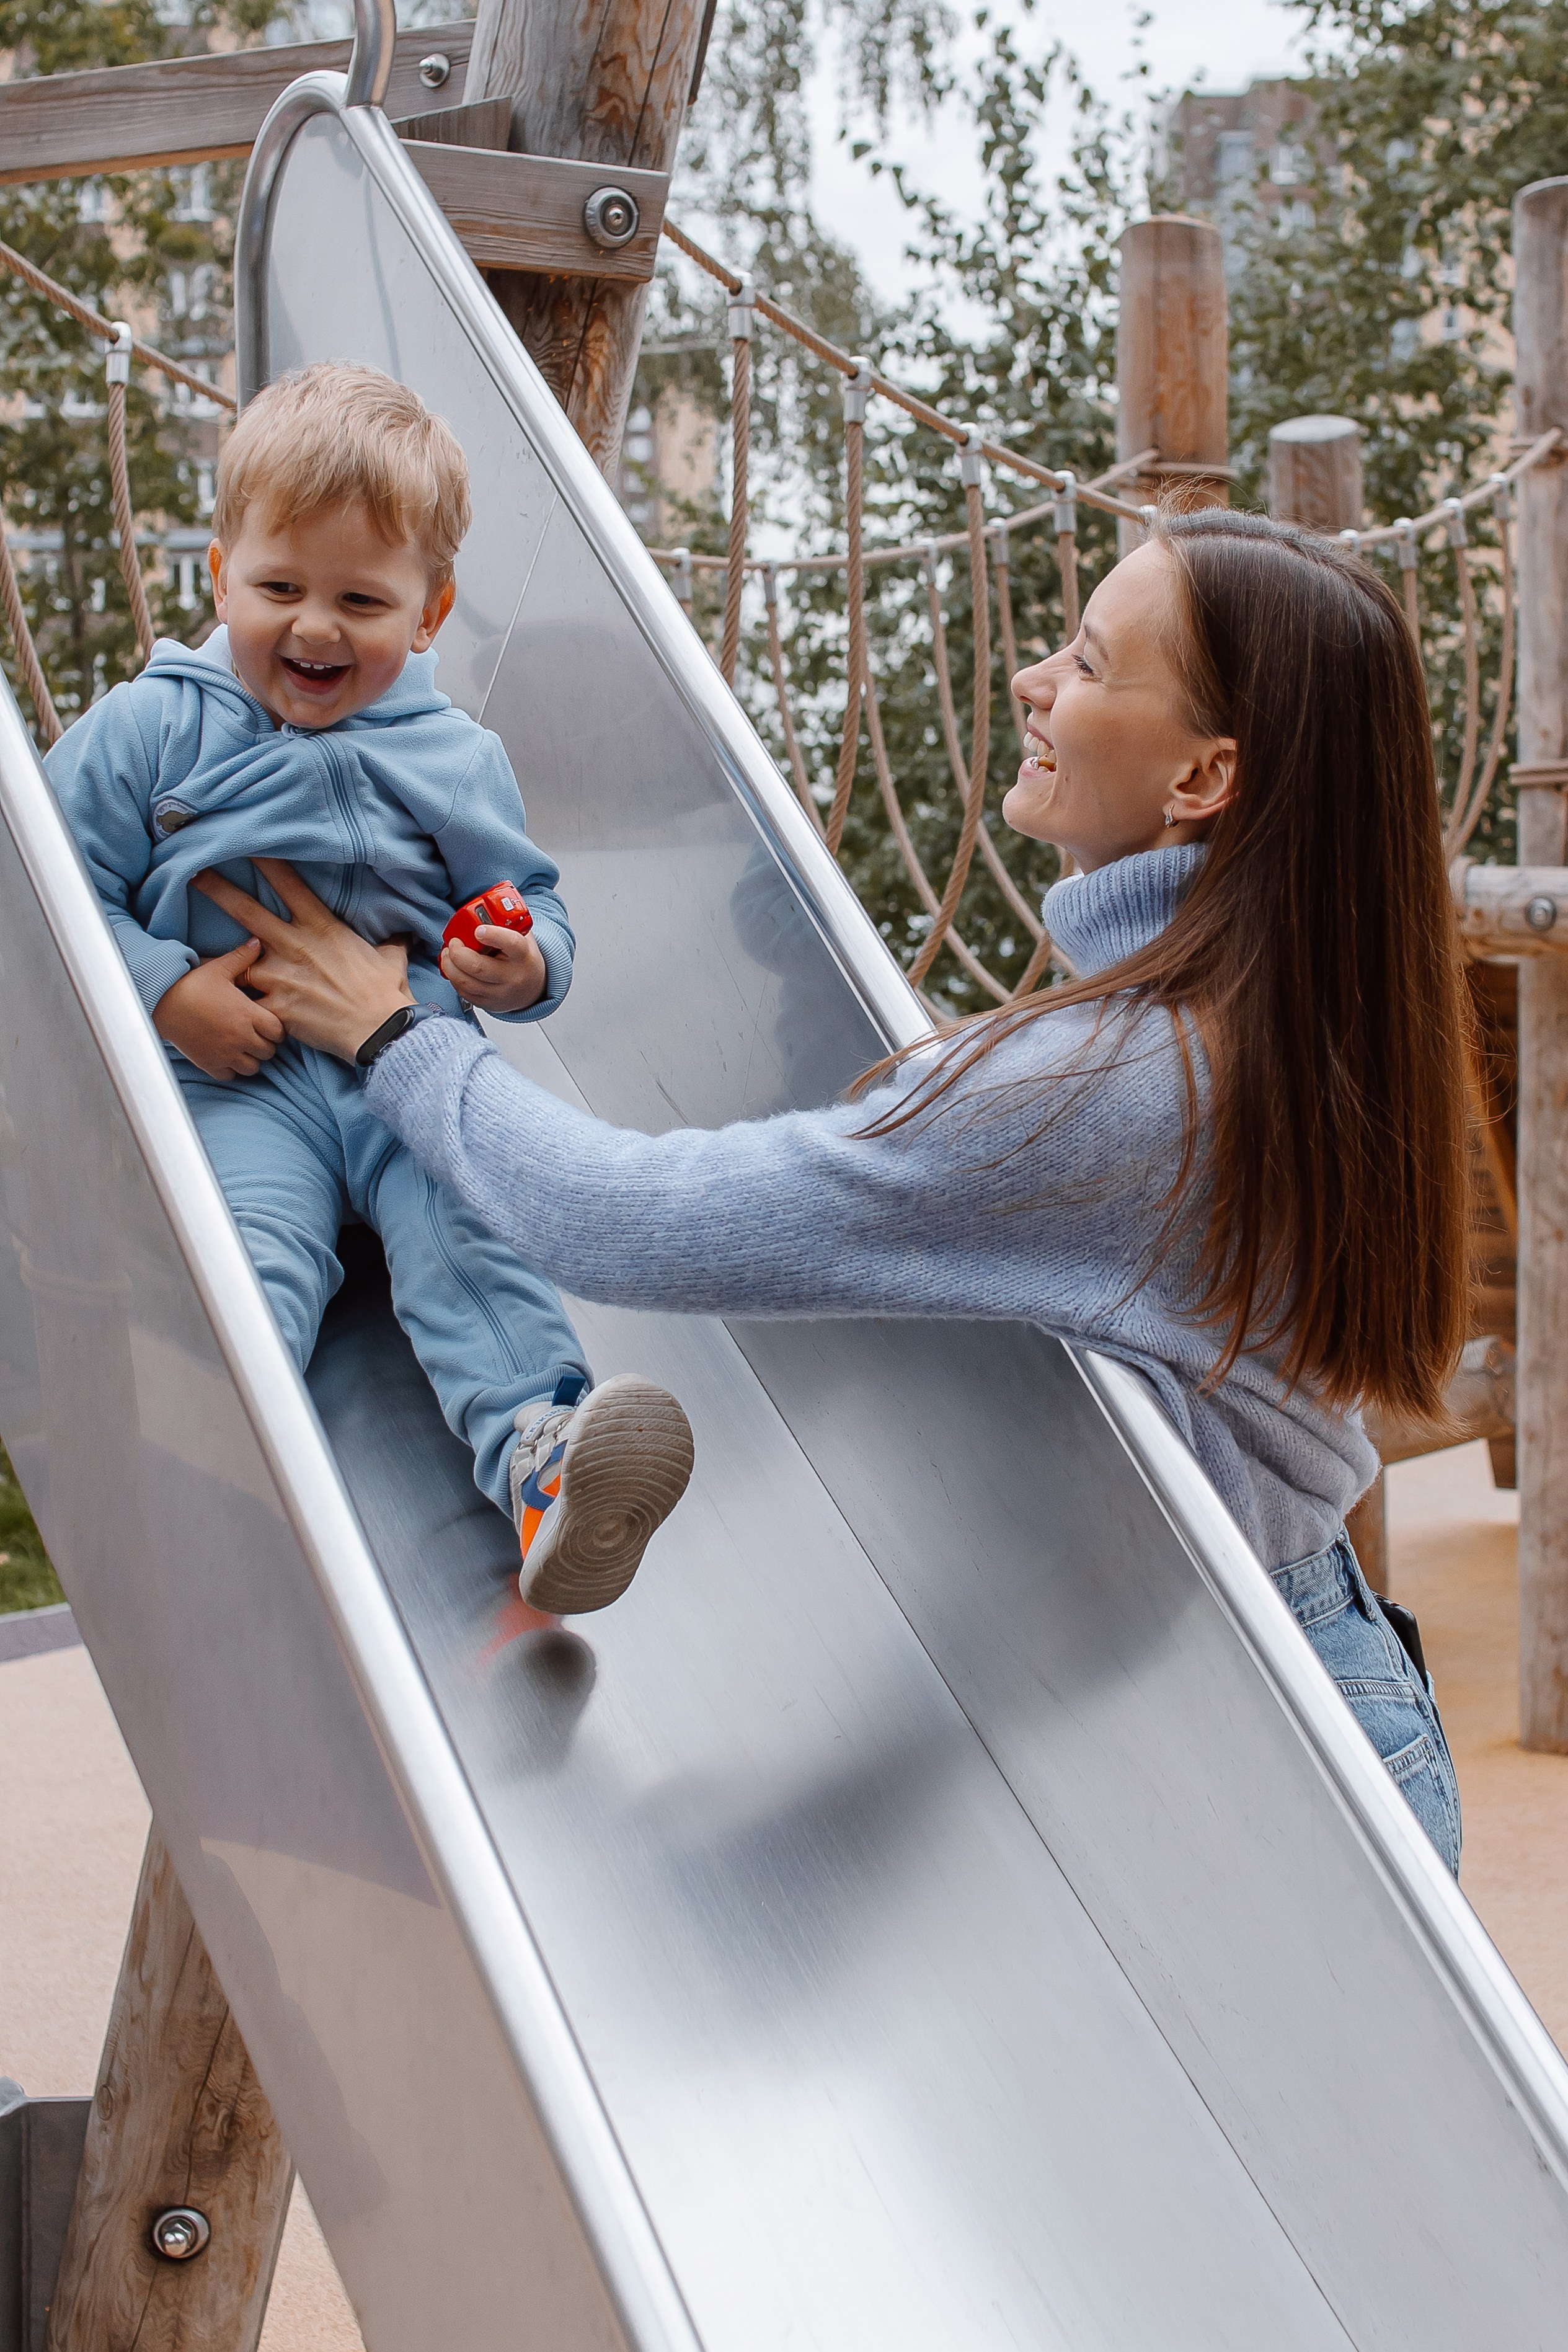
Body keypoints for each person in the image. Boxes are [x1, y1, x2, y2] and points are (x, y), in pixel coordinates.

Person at [197, 508, 1469, 1875]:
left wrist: (393, 1034)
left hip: (1252, 1750)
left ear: (1203, 776)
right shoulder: (1289, 1023)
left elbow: (629, 1223)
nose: (1033, 681)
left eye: (1090, 665)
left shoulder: (1115, 1084)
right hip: (1300, 1685)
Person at [47, 361, 693, 1617]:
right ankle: (220, 1465)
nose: (316, 630)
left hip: (408, 1067)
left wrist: (519, 960)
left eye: (361, 599)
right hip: (244, 1084)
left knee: (473, 1239)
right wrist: (167, 991)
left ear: (430, 611)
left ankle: (546, 1462)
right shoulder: (151, 728)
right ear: (220, 573)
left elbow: (526, 898)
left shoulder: (455, 754)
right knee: (253, 1256)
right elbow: (52, 893)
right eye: (279, 588)